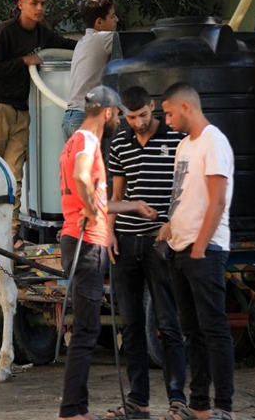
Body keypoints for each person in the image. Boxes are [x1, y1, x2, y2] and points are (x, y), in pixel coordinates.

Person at [58, 86, 158, 420]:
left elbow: (97, 197)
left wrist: (132, 204)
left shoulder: (74, 140)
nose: (120, 120)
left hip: (82, 238)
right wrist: (89, 207)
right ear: (108, 113)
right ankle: (72, 411)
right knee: (86, 331)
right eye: (118, 114)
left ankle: (75, 408)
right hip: (86, 242)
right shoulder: (87, 141)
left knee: (85, 330)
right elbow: (81, 178)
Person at [106, 87, 187, 419]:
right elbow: (117, 192)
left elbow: (184, 190)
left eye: (143, 115)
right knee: (132, 324)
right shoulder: (119, 144)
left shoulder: (176, 139)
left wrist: (172, 231)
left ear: (152, 107)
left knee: (168, 322)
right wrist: (109, 231)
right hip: (125, 241)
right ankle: (138, 400)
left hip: (160, 242)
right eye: (130, 116)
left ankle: (177, 399)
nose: (137, 122)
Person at [0, 0, 77, 249]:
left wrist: (92, 45)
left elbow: (65, 45)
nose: (39, 8)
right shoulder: (5, 31)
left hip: (22, 109)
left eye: (43, 4)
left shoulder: (41, 34)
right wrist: (24, 61)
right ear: (20, 5)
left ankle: (9, 233)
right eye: (34, 3)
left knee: (13, 174)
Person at [158, 82, 235, 420]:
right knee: (192, 333)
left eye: (169, 113)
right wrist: (169, 225)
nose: (167, 120)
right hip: (179, 248)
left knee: (214, 331)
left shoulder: (214, 142)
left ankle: (224, 407)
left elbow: (218, 200)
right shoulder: (183, 147)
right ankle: (199, 405)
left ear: (186, 107)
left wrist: (201, 247)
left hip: (205, 250)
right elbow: (182, 195)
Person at [63, 0, 119, 139]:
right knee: (93, 161)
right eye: (112, 16)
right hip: (85, 117)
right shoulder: (103, 38)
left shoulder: (82, 41)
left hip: (70, 118)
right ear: (99, 22)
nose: (117, 20)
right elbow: (136, 45)